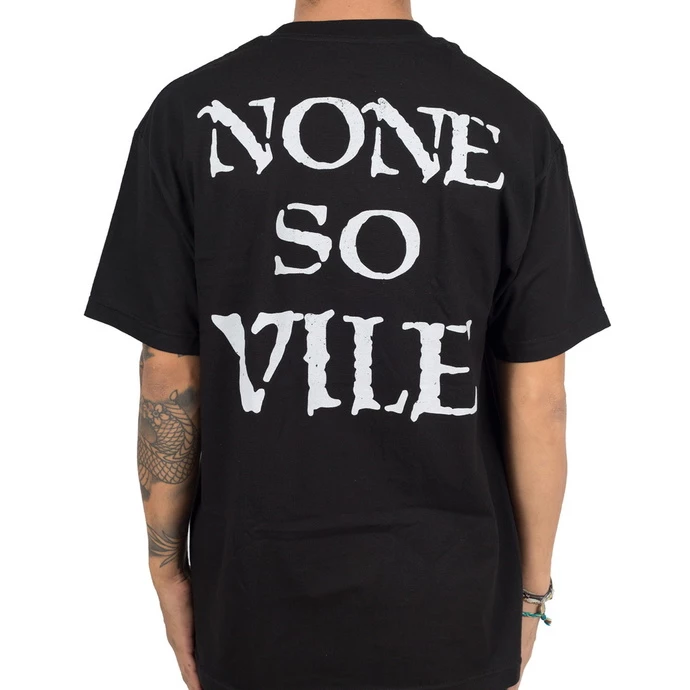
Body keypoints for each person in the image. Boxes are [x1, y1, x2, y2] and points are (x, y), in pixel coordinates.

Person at [83, 1, 611, 688]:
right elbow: (540, 401)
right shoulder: (512, 124)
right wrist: (530, 594)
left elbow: (167, 371)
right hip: (452, 602)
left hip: (254, 598)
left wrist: (167, 569)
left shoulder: (187, 115)